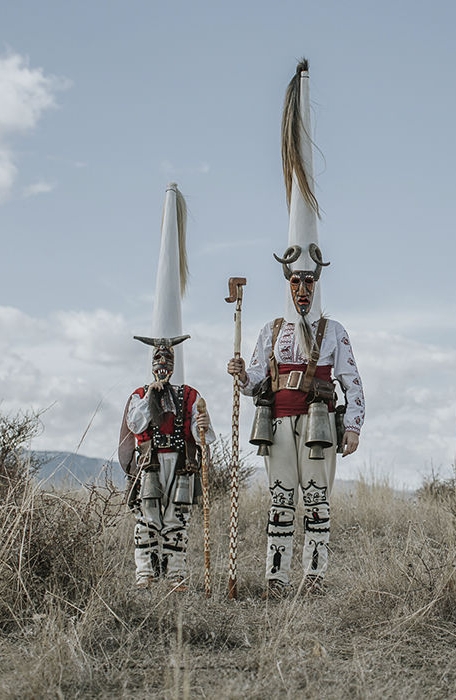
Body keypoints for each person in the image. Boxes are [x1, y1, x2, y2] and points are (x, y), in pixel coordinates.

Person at [227, 59, 364, 598]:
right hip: (280, 425)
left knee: (318, 504)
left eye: (309, 280)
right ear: (287, 281)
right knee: (281, 503)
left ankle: (315, 577)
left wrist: (354, 427)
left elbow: (353, 383)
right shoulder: (270, 331)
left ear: (318, 279)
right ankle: (277, 577)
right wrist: (241, 374)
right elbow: (255, 382)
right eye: (295, 280)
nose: (302, 288)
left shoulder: (335, 331)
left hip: (321, 427)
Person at [125, 335, 214, 590]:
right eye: (158, 357)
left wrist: (203, 425)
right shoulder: (139, 395)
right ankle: (146, 573)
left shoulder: (190, 395)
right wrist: (149, 397)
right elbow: (135, 425)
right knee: (147, 519)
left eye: (168, 357)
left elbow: (202, 435)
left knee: (177, 519)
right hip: (150, 462)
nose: (163, 362)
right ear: (152, 363)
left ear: (174, 363)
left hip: (181, 463)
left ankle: (176, 574)